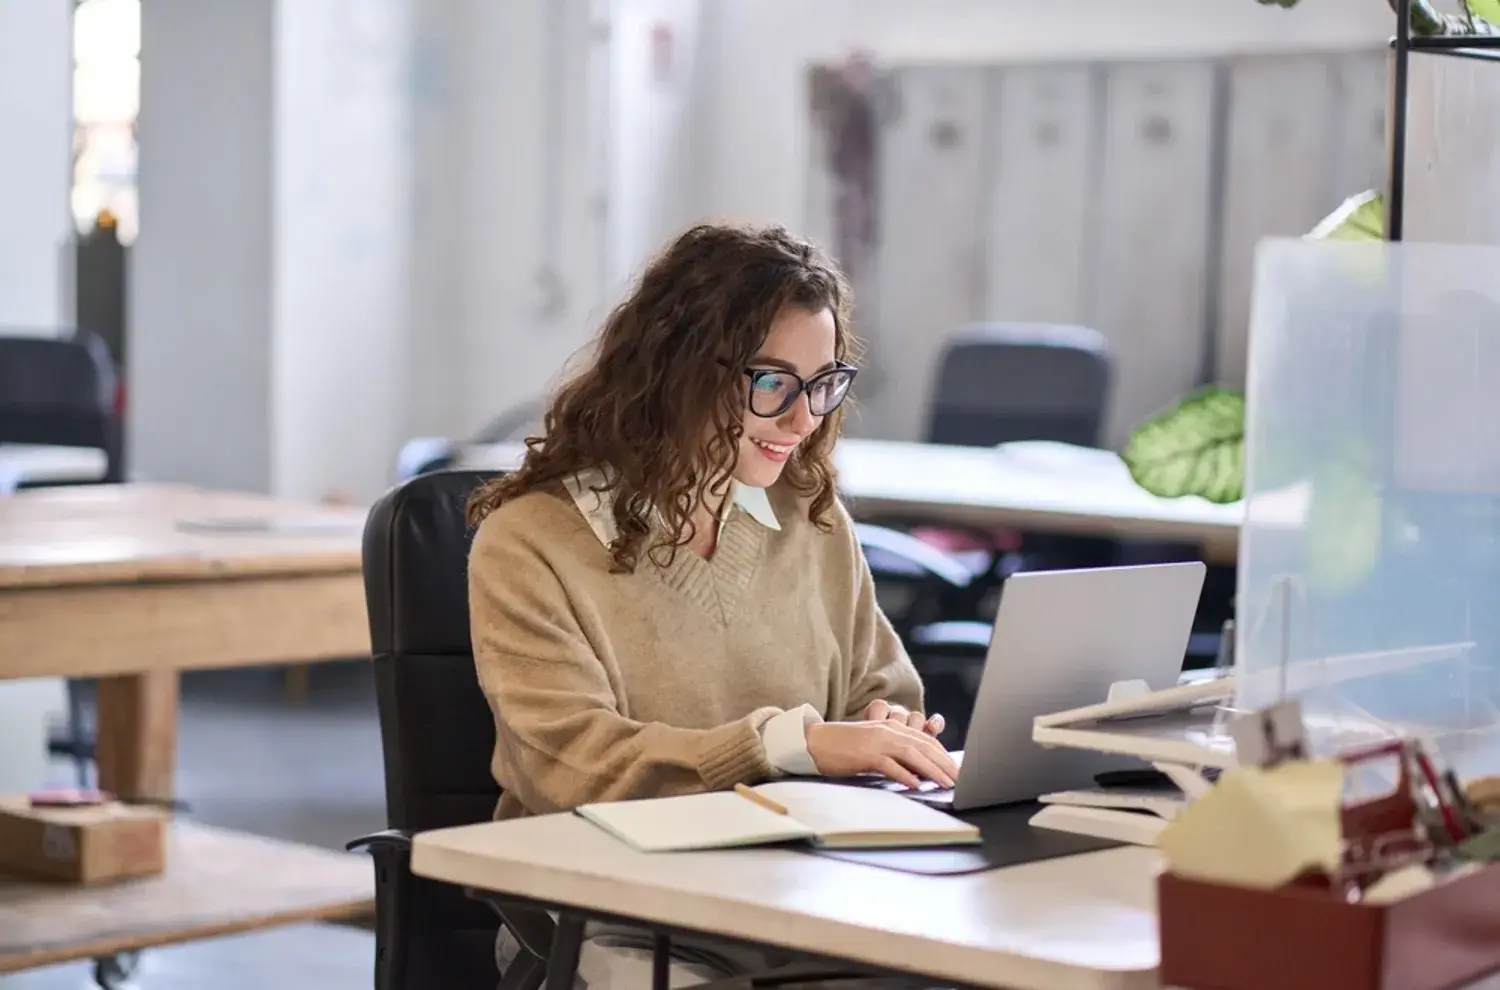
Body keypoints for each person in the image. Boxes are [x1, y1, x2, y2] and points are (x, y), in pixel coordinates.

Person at [466, 222, 958, 989]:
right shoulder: (531, 542)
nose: (805, 421)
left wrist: (882, 731)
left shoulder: (810, 516)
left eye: (824, 383)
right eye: (774, 383)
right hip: (618, 911)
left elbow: (879, 692)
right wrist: (791, 744)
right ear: (679, 369)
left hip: (802, 892)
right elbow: (575, 770)